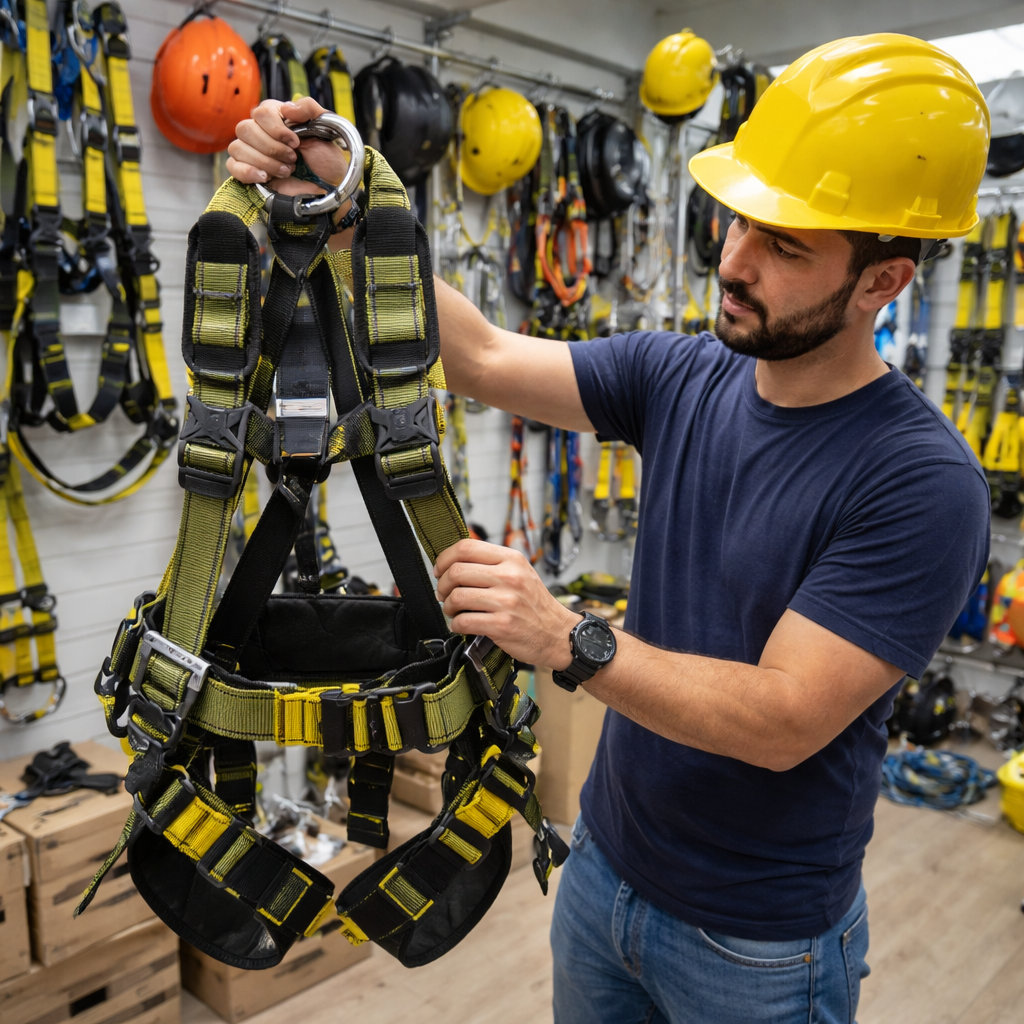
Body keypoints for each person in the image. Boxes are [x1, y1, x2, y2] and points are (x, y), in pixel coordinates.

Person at [227, 33, 991, 1024]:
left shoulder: (921, 480)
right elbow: (483, 358)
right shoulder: (684, 375)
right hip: (604, 871)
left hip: (756, 944)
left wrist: (567, 638)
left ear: (882, 283)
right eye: (740, 221)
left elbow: (784, 719)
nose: (734, 260)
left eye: (786, 247)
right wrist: (342, 211)